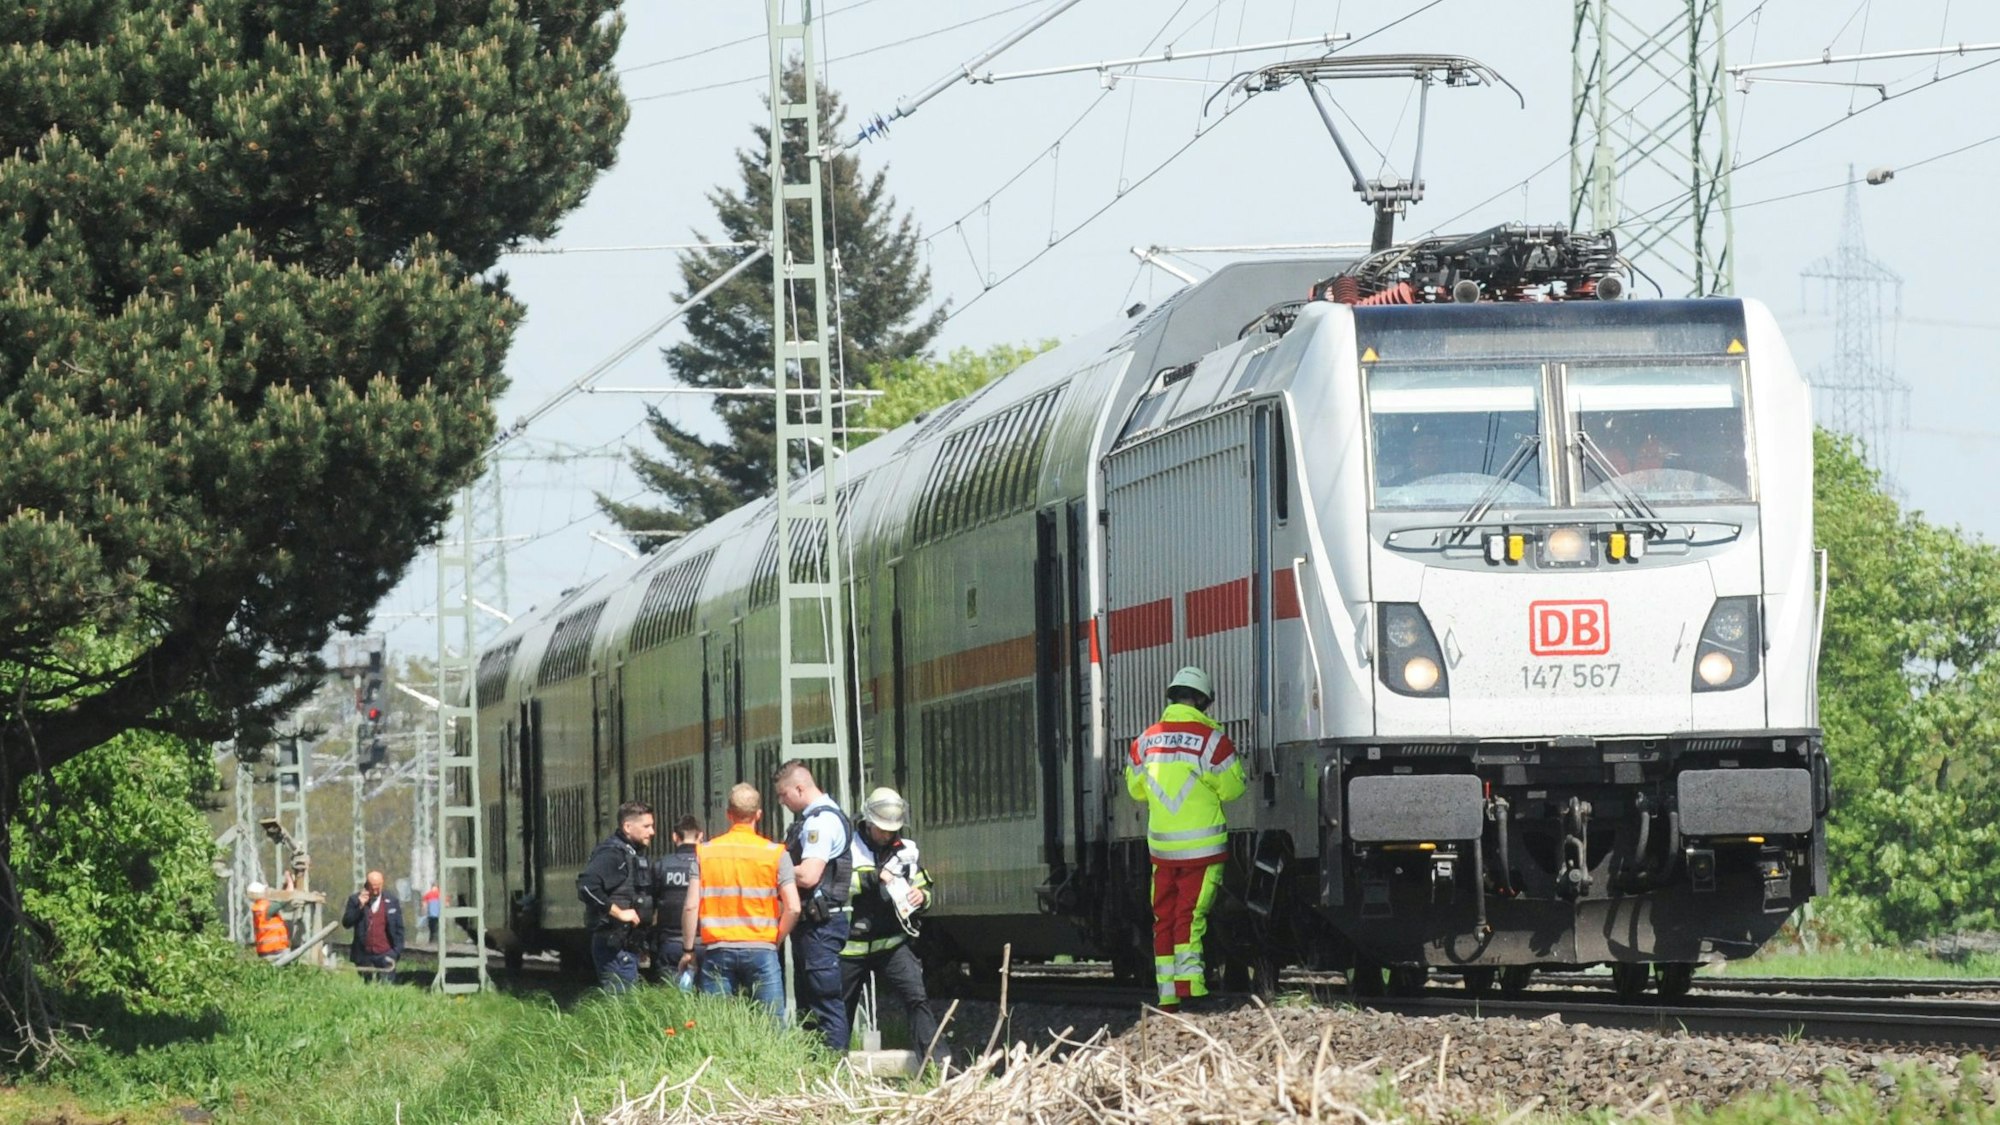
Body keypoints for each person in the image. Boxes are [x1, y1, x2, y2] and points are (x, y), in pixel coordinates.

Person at [1127, 666, 1245, 1010]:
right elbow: (1234, 788)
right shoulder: (1212, 741)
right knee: (1190, 918)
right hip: (1202, 851)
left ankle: (1167, 995)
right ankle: (1192, 989)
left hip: (1162, 851)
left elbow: (1135, 790)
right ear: (1203, 702)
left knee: (1163, 918)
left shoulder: (1144, 741)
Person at [839, 787, 947, 1068]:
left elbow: (923, 885)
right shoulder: (847, 848)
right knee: (840, 1010)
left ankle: (937, 1065)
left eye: (892, 830)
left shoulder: (908, 850)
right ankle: (831, 1066)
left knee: (917, 998)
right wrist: (875, 877)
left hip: (892, 945)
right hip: (850, 948)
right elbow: (838, 886)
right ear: (868, 822)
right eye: (882, 829)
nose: (887, 835)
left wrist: (922, 897)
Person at [679, 784, 799, 1023]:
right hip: (762, 949)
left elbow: (691, 906)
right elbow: (793, 907)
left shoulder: (705, 853)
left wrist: (689, 950)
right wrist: (775, 939)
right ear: (758, 814)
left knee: (716, 1026)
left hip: (718, 949)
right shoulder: (775, 853)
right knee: (771, 1025)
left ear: (728, 814)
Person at [774, 759, 854, 1054]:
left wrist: (772, 867)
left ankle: (833, 1065)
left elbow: (808, 875)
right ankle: (816, 1066)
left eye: (783, 795)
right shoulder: (815, 819)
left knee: (823, 1002)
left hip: (821, 926)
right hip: (815, 925)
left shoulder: (820, 822)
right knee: (810, 1004)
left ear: (799, 788)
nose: (782, 802)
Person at [577, 800, 656, 994]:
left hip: (627, 946)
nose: (652, 832)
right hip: (615, 945)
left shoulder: (630, 854)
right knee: (622, 1004)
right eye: (646, 826)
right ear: (628, 827)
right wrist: (619, 913)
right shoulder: (613, 854)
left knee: (625, 1003)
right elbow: (587, 887)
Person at [652, 814, 703, 990]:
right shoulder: (708, 865)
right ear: (700, 836)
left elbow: (651, 906)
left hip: (671, 944)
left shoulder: (662, 865)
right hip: (705, 943)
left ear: (675, 837)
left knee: (671, 998)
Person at [339, 870, 406, 980]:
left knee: (386, 985)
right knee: (366, 984)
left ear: (382, 883)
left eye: (378, 887)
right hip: (364, 955)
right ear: (367, 885)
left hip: (386, 953)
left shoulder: (392, 901)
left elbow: (399, 928)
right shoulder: (355, 900)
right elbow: (346, 923)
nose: (375, 890)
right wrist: (359, 906)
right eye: (372, 887)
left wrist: (396, 952)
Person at [248, 882, 290, 962]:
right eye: (265, 891)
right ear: (260, 893)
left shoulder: (257, 908)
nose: (266, 892)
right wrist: (290, 883)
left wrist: (284, 888)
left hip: (264, 951)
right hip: (276, 950)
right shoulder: (267, 908)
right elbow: (284, 901)